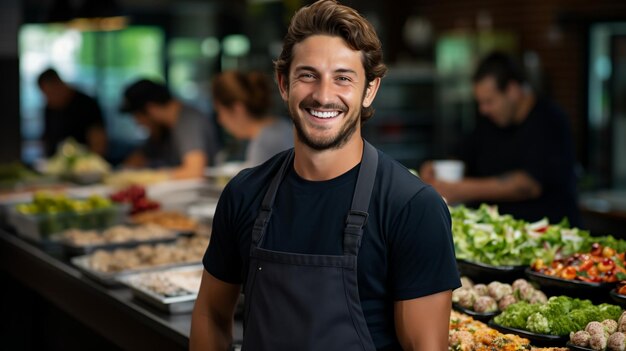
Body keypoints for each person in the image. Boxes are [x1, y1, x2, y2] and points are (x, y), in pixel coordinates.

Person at [190, 1, 460, 350]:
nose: (323, 95)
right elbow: (210, 314)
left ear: (370, 90)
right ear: (284, 83)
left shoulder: (411, 208)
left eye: (343, 78)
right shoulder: (243, 193)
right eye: (308, 75)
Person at [420, 51, 582, 227]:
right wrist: (436, 169)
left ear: (512, 91)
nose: (483, 109)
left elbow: (528, 185)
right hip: (496, 234)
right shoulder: (489, 121)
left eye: (489, 101)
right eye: (480, 103)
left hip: (548, 235)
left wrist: (460, 189)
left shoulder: (550, 120)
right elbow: (463, 155)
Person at [119, 78, 220, 179]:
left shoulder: (189, 122)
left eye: (137, 116)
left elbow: (195, 171)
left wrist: (150, 177)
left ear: (151, 109)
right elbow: (137, 159)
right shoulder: (163, 129)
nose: (138, 123)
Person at [211, 70, 293, 167]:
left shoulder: (263, 144)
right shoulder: (283, 125)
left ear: (238, 110)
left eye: (220, 112)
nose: (220, 120)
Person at [37, 68, 107, 157]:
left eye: (51, 93)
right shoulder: (49, 107)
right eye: (46, 95)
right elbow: (47, 141)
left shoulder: (86, 105)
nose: (49, 99)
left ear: (59, 85)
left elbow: (99, 142)